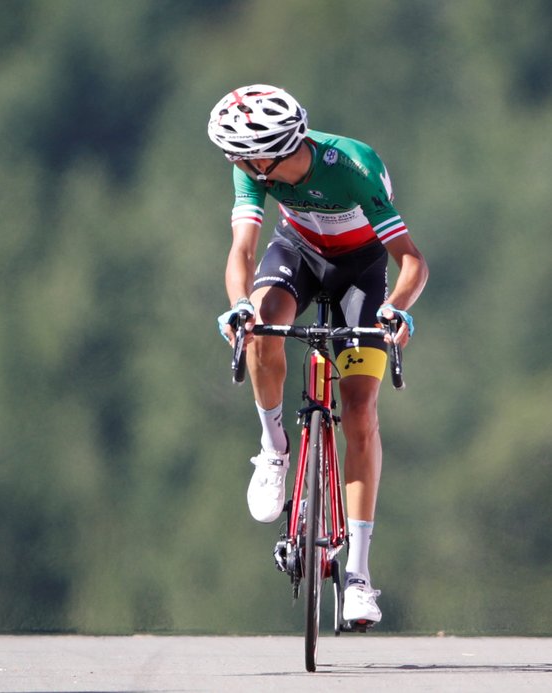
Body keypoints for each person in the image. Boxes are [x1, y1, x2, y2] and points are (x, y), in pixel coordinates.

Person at [208, 84, 428, 625]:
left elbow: (411, 261)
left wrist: (396, 309)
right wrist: (239, 305)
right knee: (261, 328)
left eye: (242, 153)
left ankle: (358, 575)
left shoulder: (353, 166)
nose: (235, 161)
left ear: (274, 150)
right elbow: (242, 250)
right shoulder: (252, 170)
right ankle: (274, 448)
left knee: (358, 411)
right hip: (298, 253)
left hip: (362, 270)